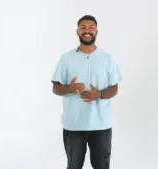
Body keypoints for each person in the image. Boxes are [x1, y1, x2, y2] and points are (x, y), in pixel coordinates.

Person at [51, 15, 122, 169]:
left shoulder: (108, 59)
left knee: (102, 166)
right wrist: (69, 88)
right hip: (74, 125)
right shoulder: (66, 58)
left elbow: (114, 88)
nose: (87, 30)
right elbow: (55, 87)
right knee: (74, 166)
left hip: (101, 125)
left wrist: (100, 94)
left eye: (91, 27)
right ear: (77, 31)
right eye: (83, 27)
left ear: (96, 31)